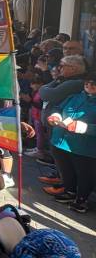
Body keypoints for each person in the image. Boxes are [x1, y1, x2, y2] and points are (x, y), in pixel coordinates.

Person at [46, 73, 96, 213]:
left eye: (94, 83)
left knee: (84, 174)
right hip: (60, 141)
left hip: (84, 147)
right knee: (66, 170)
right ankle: (70, 191)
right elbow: (58, 108)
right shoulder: (75, 96)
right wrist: (56, 115)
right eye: (88, 82)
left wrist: (86, 128)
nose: (89, 85)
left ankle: (82, 199)